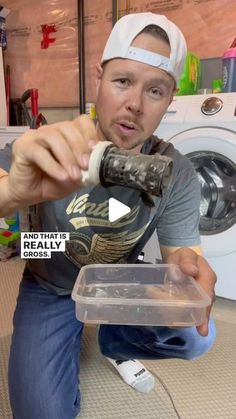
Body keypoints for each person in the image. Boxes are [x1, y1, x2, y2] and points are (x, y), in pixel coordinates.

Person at [0, 12, 216, 419]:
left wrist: (187, 273)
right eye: (122, 82)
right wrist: (13, 191)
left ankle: (114, 344)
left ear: (170, 101)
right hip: (52, 282)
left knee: (194, 337)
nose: (134, 104)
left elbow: (182, 254)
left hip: (118, 279)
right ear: (98, 78)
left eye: (155, 91)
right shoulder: (52, 145)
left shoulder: (176, 170)